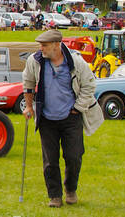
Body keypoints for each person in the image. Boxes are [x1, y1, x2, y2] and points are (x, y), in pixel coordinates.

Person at [22, 28, 103, 207]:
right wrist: (29, 106)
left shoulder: (76, 62)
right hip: (46, 119)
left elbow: (89, 86)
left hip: (70, 117)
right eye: (40, 45)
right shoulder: (34, 61)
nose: (41, 49)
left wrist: (77, 108)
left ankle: (71, 189)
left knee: (74, 156)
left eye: (44, 45)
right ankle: (55, 196)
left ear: (57, 45)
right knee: (50, 160)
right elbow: (28, 84)